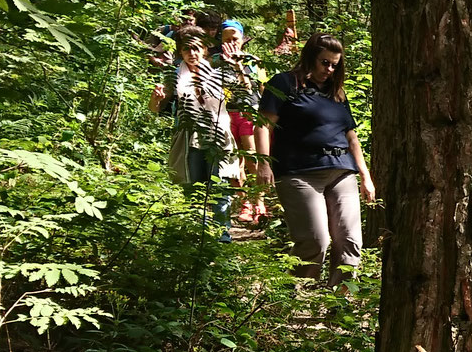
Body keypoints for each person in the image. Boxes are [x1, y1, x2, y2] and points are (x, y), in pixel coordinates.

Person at [255, 34, 374, 286]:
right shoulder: (285, 83)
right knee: (315, 240)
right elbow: (264, 125)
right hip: (298, 172)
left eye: (334, 65)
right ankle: (301, 298)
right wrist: (263, 163)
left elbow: (351, 138)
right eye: (324, 63)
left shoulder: (337, 94)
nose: (329, 70)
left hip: (341, 170)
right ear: (310, 57)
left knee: (350, 240)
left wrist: (366, 176)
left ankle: (340, 302)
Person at [157, 25, 239, 240]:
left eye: (196, 49)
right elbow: (156, 108)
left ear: (204, 49)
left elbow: (238, 86)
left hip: (217, 135)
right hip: (188, 138)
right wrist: (157, 98)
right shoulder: (174, 75)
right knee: (193, 189)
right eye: (186, 50)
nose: (192, 54)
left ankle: (222, 237)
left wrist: (234, 64)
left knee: (219, 186)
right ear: (180, 52)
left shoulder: (216, 70)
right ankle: (198, 237)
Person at [213, 20, 268, 224]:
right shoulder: (214, 62)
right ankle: (244, 202)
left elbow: (254, 89)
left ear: (242, 39)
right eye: (226, 39)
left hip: (249, 113)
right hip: (225, 115)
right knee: (234, 162)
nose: (231, 43)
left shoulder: (252, 61)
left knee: (253, 159)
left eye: (235, 39)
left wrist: (238, 66)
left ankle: (259, 202)